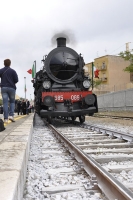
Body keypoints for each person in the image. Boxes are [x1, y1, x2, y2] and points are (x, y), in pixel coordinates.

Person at [0, 59, 18, 123]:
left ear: (4, 63)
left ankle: (5, 119)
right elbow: (16, 80)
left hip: (4, 88)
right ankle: (11, 115)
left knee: (5, 103)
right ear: (10, 63)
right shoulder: (13, 71)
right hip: (12, 88)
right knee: (12, 102)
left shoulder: (1, 70)